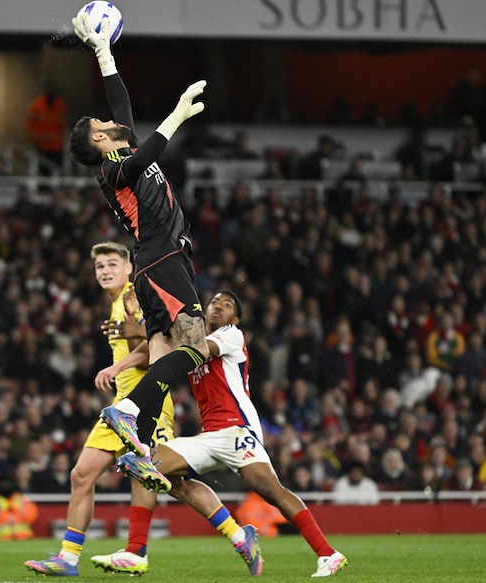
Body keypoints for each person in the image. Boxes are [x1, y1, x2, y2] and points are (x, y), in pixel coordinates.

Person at [26, 243, 256, 577]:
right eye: (100, 266)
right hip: (121, 405)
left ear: (128, 269)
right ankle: (69, 558)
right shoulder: (118, 303)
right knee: (82, 475)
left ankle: (154, 548)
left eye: (112, 265)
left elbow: (161, 348)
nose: (104, 271)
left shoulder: (135, 298)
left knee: (165, 480)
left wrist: (116, 366)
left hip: (149, 403)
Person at [67, 10, 212, 490]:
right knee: (195, 347)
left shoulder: (119, 151)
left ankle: (142, 449)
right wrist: (176, 114)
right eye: (104, 123)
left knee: (162, 353)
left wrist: (103, 53)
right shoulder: (112, 171)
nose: (112, 119)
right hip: (162, 257)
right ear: (101, 141)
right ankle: (127, 411)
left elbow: (120, 101)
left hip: (154, 263)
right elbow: (152, 150)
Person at [110, 291, 349, 577]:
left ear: (235, 318)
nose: (218, 307)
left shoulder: (231, 335)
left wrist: (145, 331)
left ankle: (328, 554)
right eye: (214, 302)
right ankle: (229, 537)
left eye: (226, 306)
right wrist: (129, 349)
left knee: (269, 489)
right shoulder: (192, 341)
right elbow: (157, 359)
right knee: (145, 466)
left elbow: (194, 349)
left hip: (237, 430)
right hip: (208, 436)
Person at [25, 81, 69, 174]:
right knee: (43, 171)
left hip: (57, 146)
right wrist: (36, 138)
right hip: (43, 145)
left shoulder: (59, 105)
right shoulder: (37, 105)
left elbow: (63, 124)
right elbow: (30, 124)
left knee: (58, 170)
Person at [0, 476, 39, 541]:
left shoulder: (21, 499)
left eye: (8, 483)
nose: (5, 485)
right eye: (3, 483)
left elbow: (32, 516)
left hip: (23, 539)